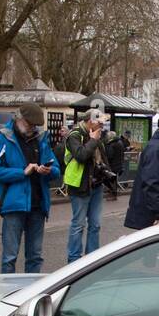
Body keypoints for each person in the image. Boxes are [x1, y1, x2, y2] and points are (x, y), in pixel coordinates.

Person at [0, 104, 61, 273]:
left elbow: (56, 169)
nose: (33, 128)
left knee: (35, 257)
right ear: (19, 119)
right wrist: (22, 172)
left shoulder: (41, 139)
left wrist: (48, 170)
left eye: (36, 125)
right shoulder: (3, 139)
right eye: (30, 124)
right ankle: (8, 294)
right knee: (9, 257)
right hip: (14, 205)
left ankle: (32, 294)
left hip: (38, 206)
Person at [63, 107, 109, 262]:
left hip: (96, 184)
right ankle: (74, 260)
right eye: (100, 123)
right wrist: (94, 140)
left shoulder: (97, 135)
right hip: (80, 185)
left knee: (95, 224)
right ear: (91, 122)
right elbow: (81, 155)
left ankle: (92, 258)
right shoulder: (74, 135)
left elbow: (102, 159)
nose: (102, 126)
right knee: (78, 224)